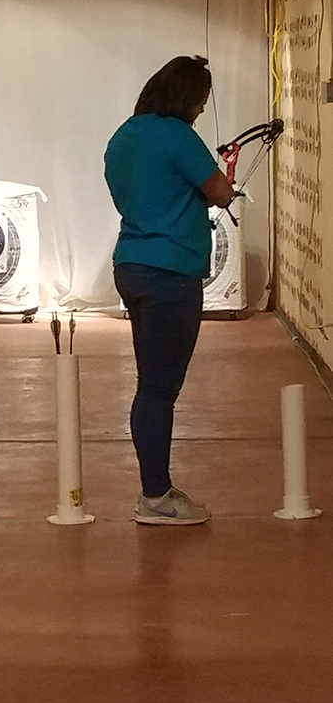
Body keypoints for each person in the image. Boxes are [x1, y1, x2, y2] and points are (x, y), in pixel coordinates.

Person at [104, 55, 235, 525]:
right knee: (158, 390)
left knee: (153, 386)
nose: (201, 110)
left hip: (133, 265)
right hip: (170, 274)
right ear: (186, 98)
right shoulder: (178, 135)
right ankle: (155, 496)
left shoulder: (124, 135)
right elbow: (220, 191)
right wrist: (222, 173)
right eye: (199, 101)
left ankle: (156, 488)